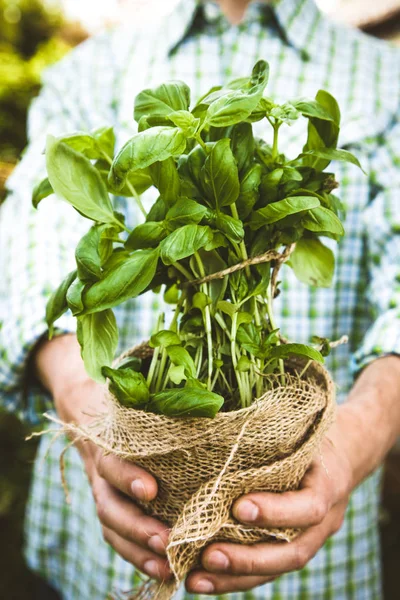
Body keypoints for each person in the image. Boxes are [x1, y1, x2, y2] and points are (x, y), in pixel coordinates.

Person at [1, 0, 400, 598]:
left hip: (318, 568)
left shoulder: (387, 78)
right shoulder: (91, 70)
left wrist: (358, 441)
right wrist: (83, 404)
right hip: (104, 553)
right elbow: (31, 244)